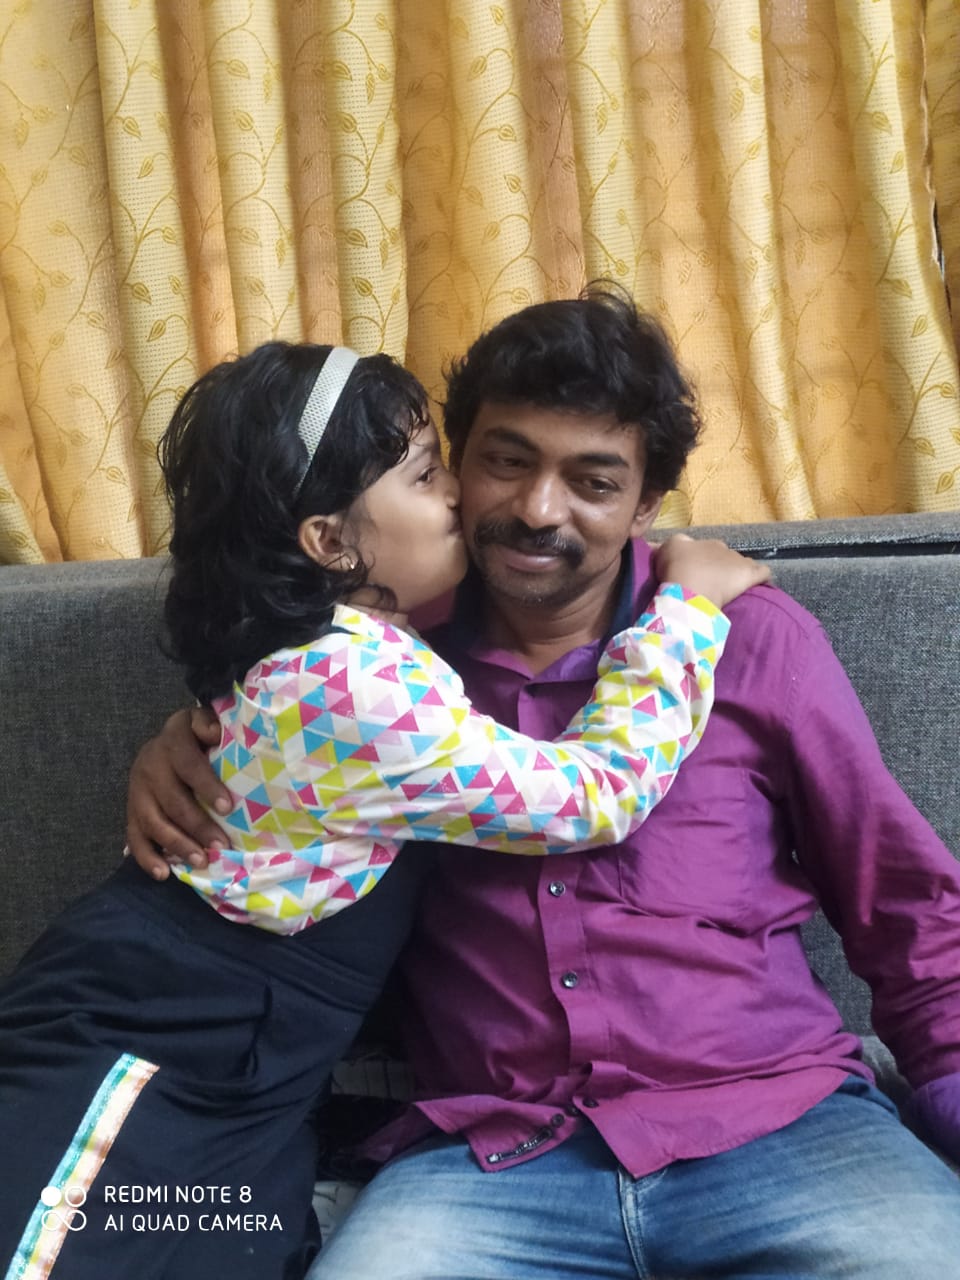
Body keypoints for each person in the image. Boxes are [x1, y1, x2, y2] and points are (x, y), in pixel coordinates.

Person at [130, 285, 960, 1279]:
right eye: (506, 461)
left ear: (647, 504)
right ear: (455, 465)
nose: (537, 509)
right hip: (491, 1153)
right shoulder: (377, 669)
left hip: (775, 1120)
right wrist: (184, 739)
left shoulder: (748, 638)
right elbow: (278, 720)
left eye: (593, 480)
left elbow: (904, 903)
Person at [0, 338, 765, 1280]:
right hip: (149, 1039)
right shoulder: (347, 679)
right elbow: (592, 797)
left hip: (255, 1069)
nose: (459, 502)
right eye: (427, 475)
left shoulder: (343, 647)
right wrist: (685, 613)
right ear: (329, 543)